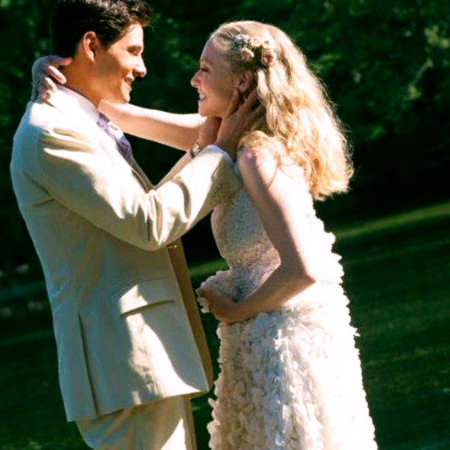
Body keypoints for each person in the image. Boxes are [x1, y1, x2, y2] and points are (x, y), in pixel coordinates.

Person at [35, 19, 378, 450]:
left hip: (284, 339)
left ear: (241, 82)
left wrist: (236, 311)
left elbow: (304, 269)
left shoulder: (255, 156)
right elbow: (116, 113)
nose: (194, 79)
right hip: (261, 333)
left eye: (205, 69)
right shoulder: (229, 137)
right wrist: (58, 75)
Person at [11, 1, 263, 449]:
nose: (142, 67)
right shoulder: (52, 132)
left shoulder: (79, 120)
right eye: (133, 51)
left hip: (139, 362)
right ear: (91, 45)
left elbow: (143, 209)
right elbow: (149, 224)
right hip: (122, 363)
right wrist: (218, 153)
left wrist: (208, 150)